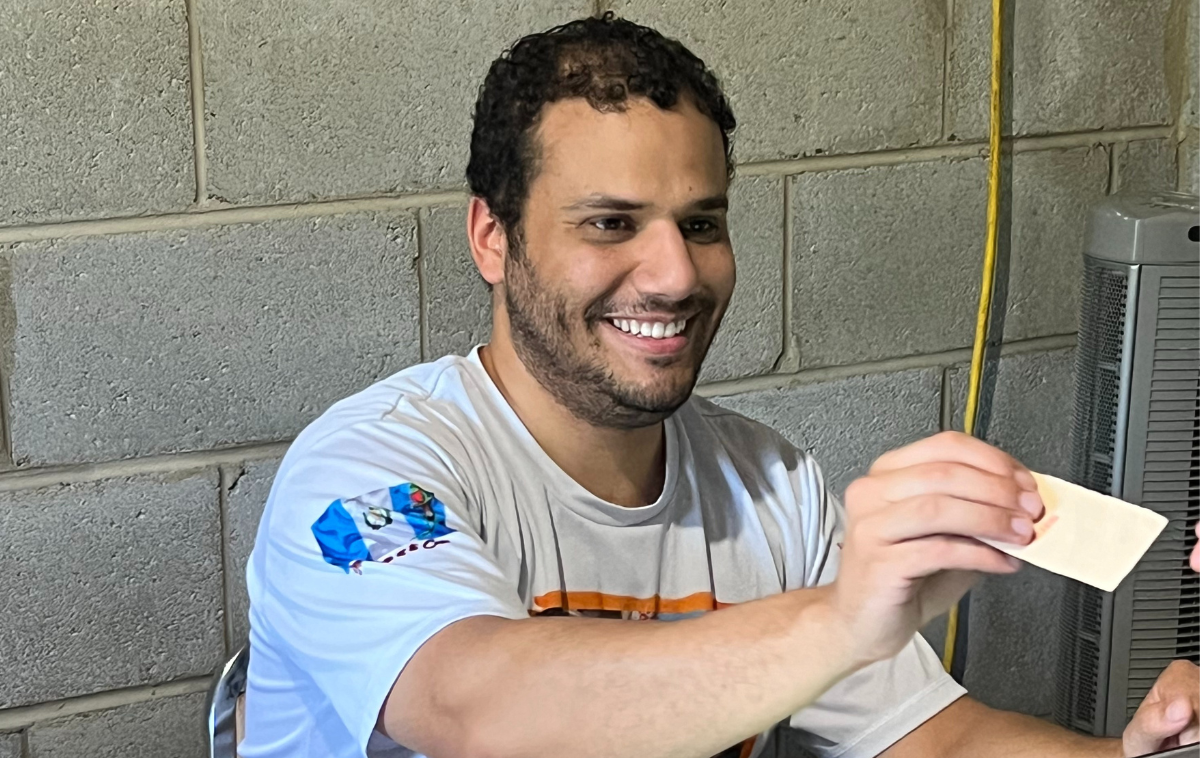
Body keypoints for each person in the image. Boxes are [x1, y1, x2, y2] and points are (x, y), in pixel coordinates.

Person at [240, 15, 1199, 758]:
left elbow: (929, 738)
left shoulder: (769, 487)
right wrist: (837, 618)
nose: (674, 275)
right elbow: (475, 711)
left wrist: (1131, 753)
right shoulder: (367, 476)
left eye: (701, 224)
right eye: (611, 224)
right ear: (493, 238)